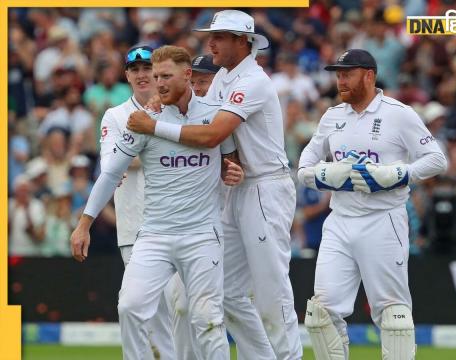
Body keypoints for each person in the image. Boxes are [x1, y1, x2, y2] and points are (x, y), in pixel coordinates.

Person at [126, 10, 302, 360]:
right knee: (226, 293)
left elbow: (211, 134)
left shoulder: (252, 80)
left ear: (242, 41)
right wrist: (162, 99)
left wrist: (153, 126)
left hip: (266, 187)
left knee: (271, 292)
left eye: (219, 36)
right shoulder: (223, 78)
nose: (210, 43)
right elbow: (202, 118)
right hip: (235, 187)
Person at [71, 45, 243, 360]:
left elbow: (228, 154)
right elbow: (110, 172)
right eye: (156, 75)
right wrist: (84, 223)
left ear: (188, 74)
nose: (157, 81)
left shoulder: (214, 113)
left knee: (206, 319)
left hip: (202, 234)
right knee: (131, 307)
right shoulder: (140, 120)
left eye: (164, 75)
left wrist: (230, 169)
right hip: (153, 234)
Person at [297, 49, 447, 360]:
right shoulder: (332, 116)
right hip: (339, 221)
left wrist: (399, 174)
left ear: (369, 75)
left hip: (384, 220)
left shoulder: (399, 113)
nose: (340, 80)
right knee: (320, 315)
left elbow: (436, 160)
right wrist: (327, 174)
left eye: (347, 73)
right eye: (338, 74)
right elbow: (303, 169)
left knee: (394, 317)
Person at [98, 45, 175, 360]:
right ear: (127, 75)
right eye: (136, 70)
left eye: (148, 69)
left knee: (182, 312)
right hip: (135, 228)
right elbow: (111, 163)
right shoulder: (115, 115)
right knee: (145, 313)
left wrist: (138, 151)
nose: (143, 75)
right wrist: (166, 148)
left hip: (178, 225)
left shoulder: (177, 110)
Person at [162, 52, 222, 360]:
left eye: (205, 81)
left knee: (225, 310)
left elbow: (241, 161)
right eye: (195, 81)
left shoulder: (226, 115)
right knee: (182, 307)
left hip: (220, 227)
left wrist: (233, 168)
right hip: (183, 227)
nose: (199, 87)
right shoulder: (168, 113)